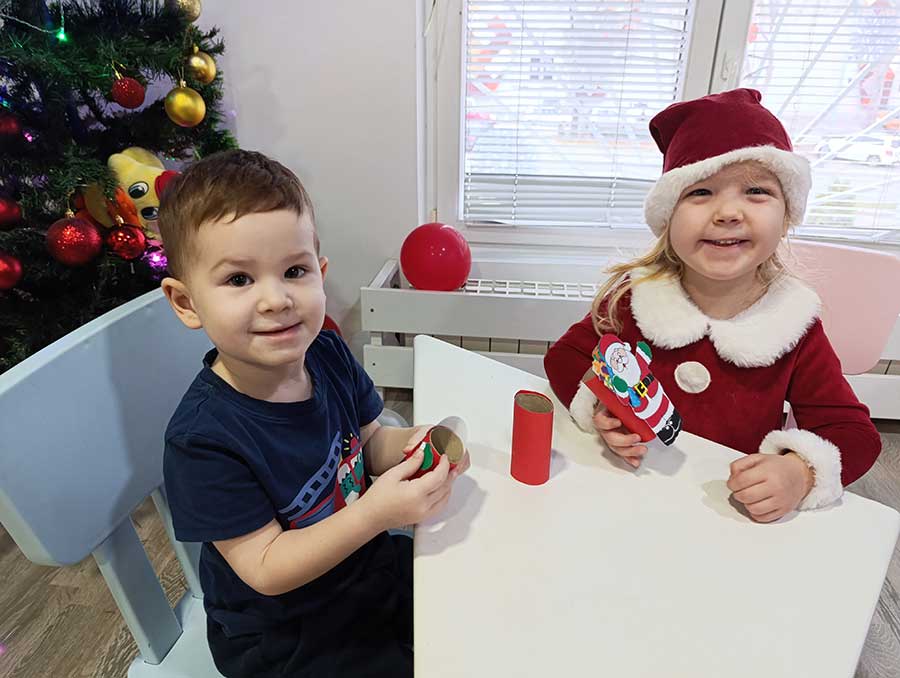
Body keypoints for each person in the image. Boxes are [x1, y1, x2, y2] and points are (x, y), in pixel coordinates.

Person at [158, 149, 469, 677]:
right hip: (284, 633)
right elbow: (265, 567)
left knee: (468, 605)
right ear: (187, 303)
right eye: (239, 280)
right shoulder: (202, 440)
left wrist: (419, 443)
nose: (276, 299)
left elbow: (370, 442)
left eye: (294, 271)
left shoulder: (326, 353)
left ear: (320, 275)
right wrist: (377, 514)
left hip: (362, 570)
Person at [544, 89, 881, 522]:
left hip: (729, 517)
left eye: (756, 191)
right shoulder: (634, 297)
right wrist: (602, 404)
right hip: (627, 497)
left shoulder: (794, 324)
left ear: (786, 216)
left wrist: (800, 473)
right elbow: (566, 357)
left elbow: (854, 434)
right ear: (668, 218)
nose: (727, 212)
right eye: (701, 191)